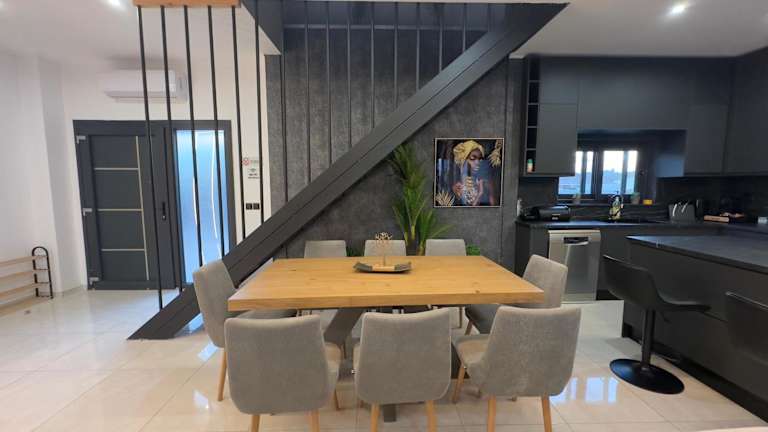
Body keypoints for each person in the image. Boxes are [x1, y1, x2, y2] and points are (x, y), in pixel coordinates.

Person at [451, 140, 497, 206]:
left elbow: (494, 207)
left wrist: (482, 193)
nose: (477, 162)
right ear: (464, 159)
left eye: (480, 159)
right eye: (473, 158)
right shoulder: (458, 183)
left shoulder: (485, 181)